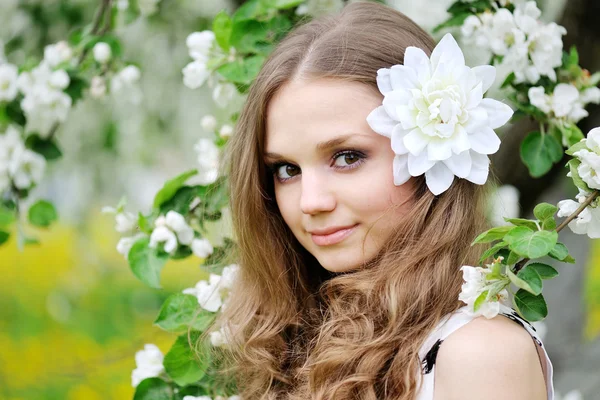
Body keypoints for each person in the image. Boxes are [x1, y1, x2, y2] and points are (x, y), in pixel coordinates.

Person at [215, 1, 554, 398]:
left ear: (434, 152)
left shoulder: (477, 353)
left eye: (346, 157)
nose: (310, 202)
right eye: (287, 170)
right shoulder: (289, 342)